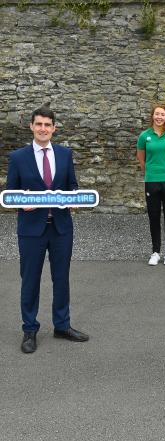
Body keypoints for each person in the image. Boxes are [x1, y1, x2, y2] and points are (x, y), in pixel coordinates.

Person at [6, 106, 89, 354]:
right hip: (31, 230)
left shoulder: (65, 154)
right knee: (30, 280)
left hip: (61, 228)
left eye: (47, 125)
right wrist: (23, 204)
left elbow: (72, 186)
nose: (43, 129)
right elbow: (10, 193)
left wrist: (74, 201)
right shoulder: (18, 158)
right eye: (39, 124)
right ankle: (29, 329)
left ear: (54, 128)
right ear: (31, 126)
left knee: (61, 278)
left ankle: (62, 325)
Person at [136, 103, 165, 266]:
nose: (159, 117)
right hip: (151, 181)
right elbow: (141, 159)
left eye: (162, 114)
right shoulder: (144, 136)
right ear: (152, 116)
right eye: (157, 114)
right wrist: (151, 172)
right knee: (153, 216)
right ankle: (155, 252)